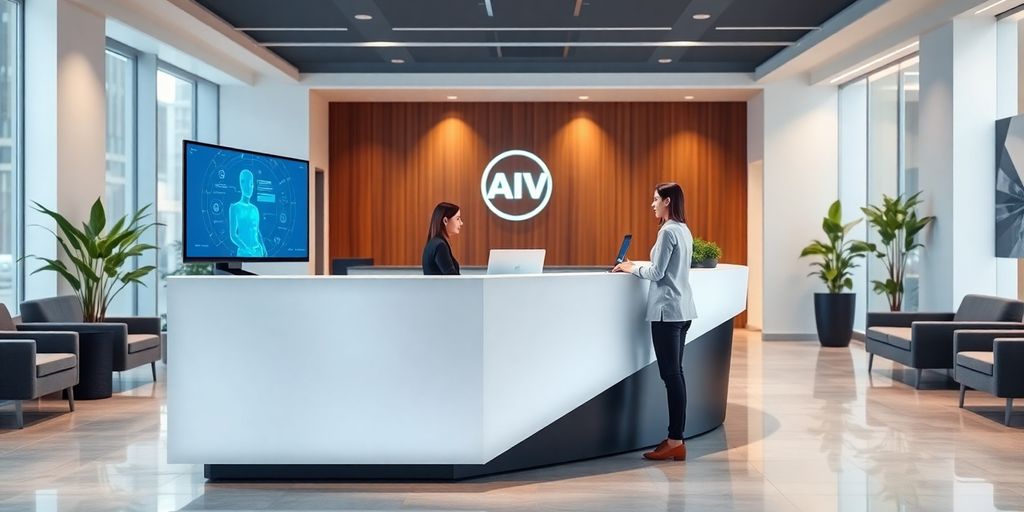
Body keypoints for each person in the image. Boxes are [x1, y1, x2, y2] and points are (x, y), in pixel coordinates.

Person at [612, 182, 697, 462]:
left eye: (656, 199)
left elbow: (658, 272)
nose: (652, 204)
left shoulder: (668, 231)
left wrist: (631, 267)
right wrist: (638, 266)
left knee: (671, 377)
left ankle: (675, 440)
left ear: (668, 201)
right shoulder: (684, 230)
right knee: (676, 375)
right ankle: (676, 438)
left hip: (665, 313)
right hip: (682, 311)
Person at [229, 169, 267, 257]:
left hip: (258, 251)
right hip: (245, 253)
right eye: (245, 182)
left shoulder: (255, 209)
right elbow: (233, 235)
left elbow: (257, 231)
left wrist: (263, 248)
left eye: (251, 184)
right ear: (241, 184)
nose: (249, 187)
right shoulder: (235, 207)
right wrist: (247, 249)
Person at [422, 202, 463, 275]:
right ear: (445, 221)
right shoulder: (440, 246)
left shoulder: (434, 243)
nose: (461, 223)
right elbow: (452, 278)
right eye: (457, 219)